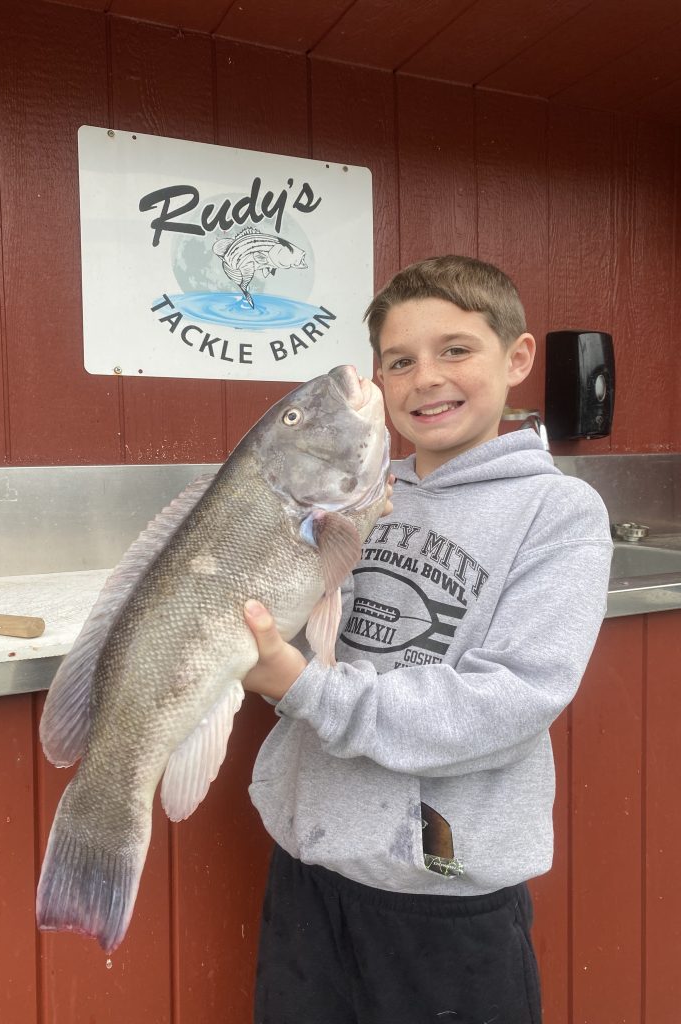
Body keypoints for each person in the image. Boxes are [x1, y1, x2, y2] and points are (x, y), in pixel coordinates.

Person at [242, 255, 613, 1024]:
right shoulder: (360, 500)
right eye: (400, 361)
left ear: (517, 356)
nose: (426, 379)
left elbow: (511, 698)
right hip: (310, 870)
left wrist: (303, 688)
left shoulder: (559, 512)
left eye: (455, 350)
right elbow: (311, 635)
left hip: (444, 899)